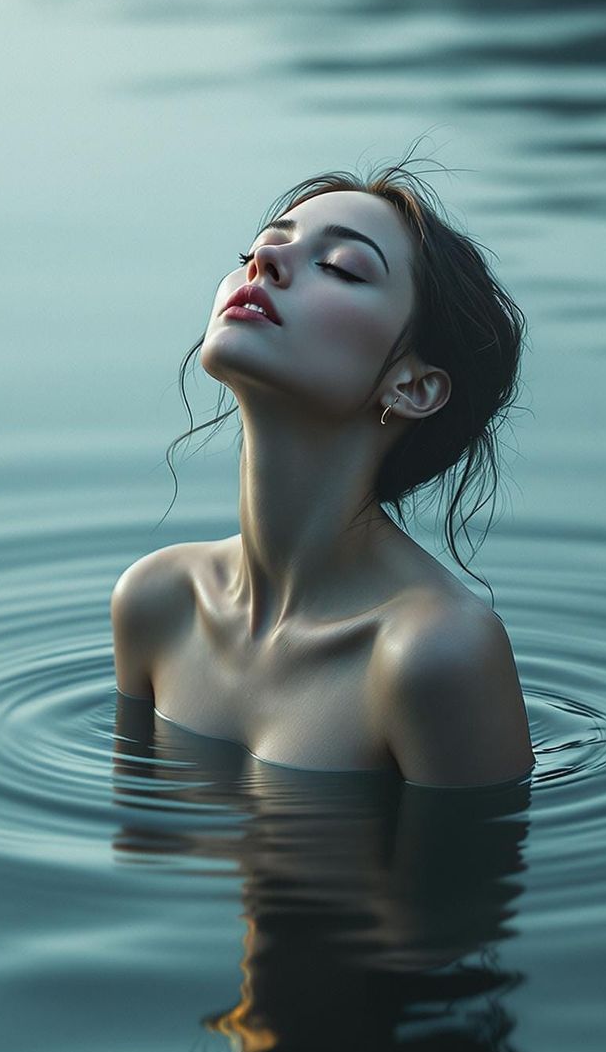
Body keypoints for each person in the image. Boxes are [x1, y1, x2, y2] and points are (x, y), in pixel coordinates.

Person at [111, 161, 534, 787]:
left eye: (340, 267)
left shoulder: (437, 655)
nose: (264, 262)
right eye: (257, 249)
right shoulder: (156, 602)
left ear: (413, 386)